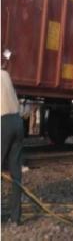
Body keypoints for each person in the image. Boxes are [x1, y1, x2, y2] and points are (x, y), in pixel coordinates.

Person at [1, 69, 24, 225]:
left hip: (3, 123)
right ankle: (15, 217)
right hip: (17, 122)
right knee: (15, 172)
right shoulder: (6, 74)